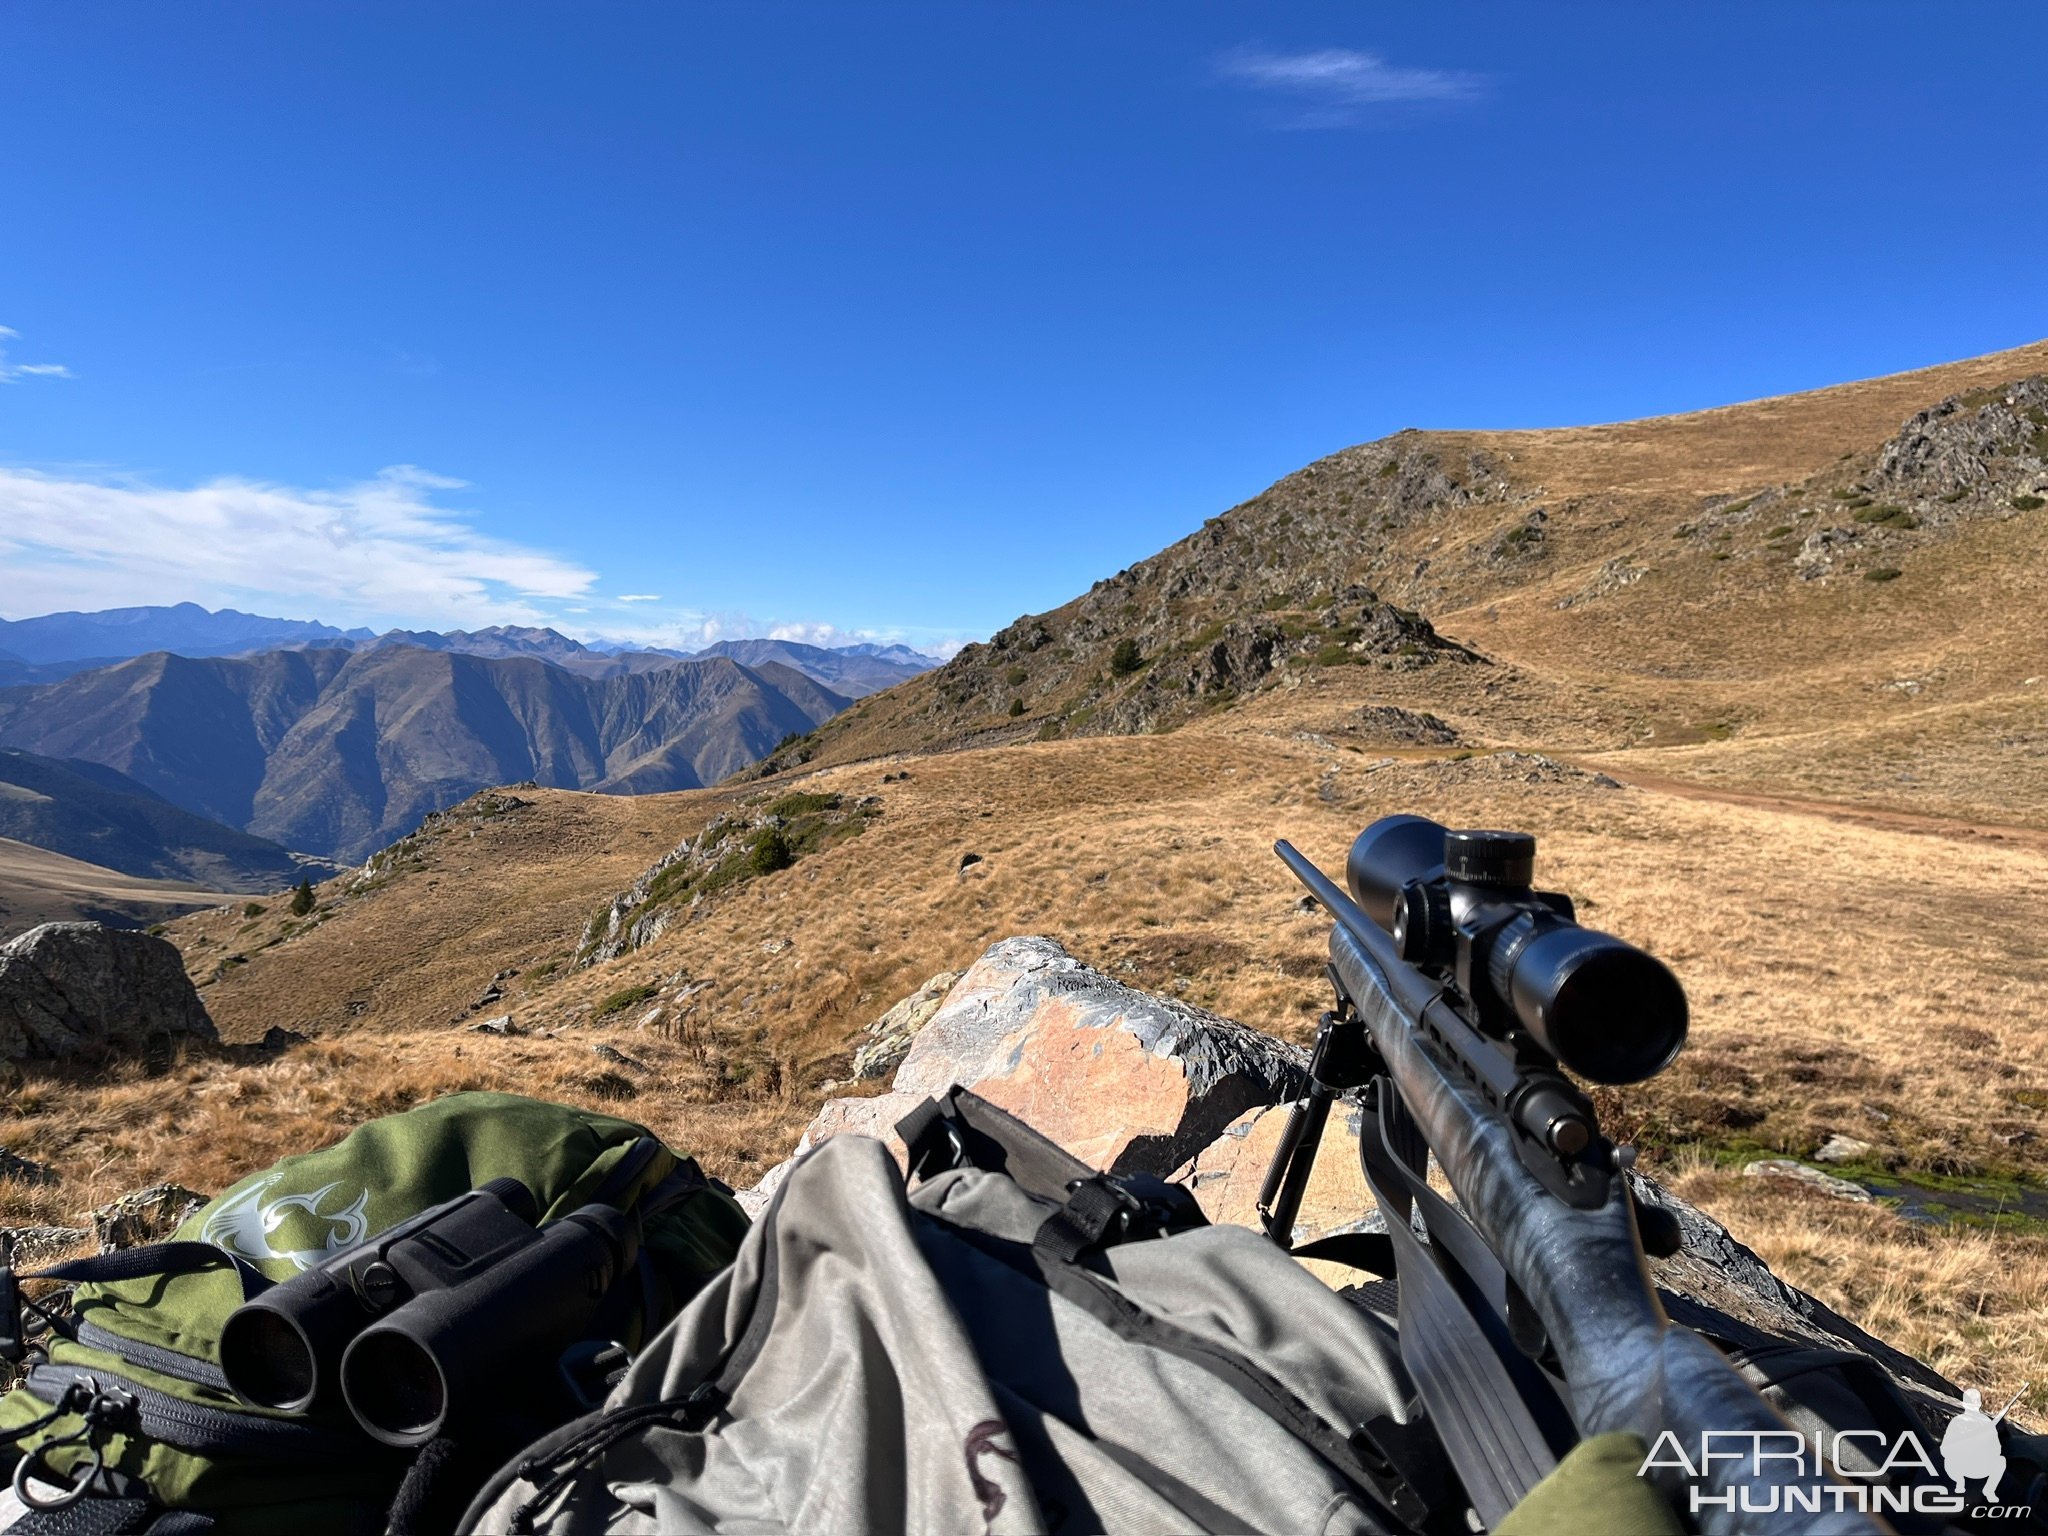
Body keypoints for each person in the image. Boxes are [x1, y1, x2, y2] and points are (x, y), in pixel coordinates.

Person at [1941, 1389, 2007, 1502]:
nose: (1974, 1405)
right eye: (1972, 1402)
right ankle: (1959, 1483)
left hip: (1979, 1465)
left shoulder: (1986, 1422)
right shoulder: (1957, 1422)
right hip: (1959, 1465)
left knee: (2000, 1461)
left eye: (1975, 1402)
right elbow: (1944, 1449)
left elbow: (1997, 1449)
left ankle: (1989, 1490)